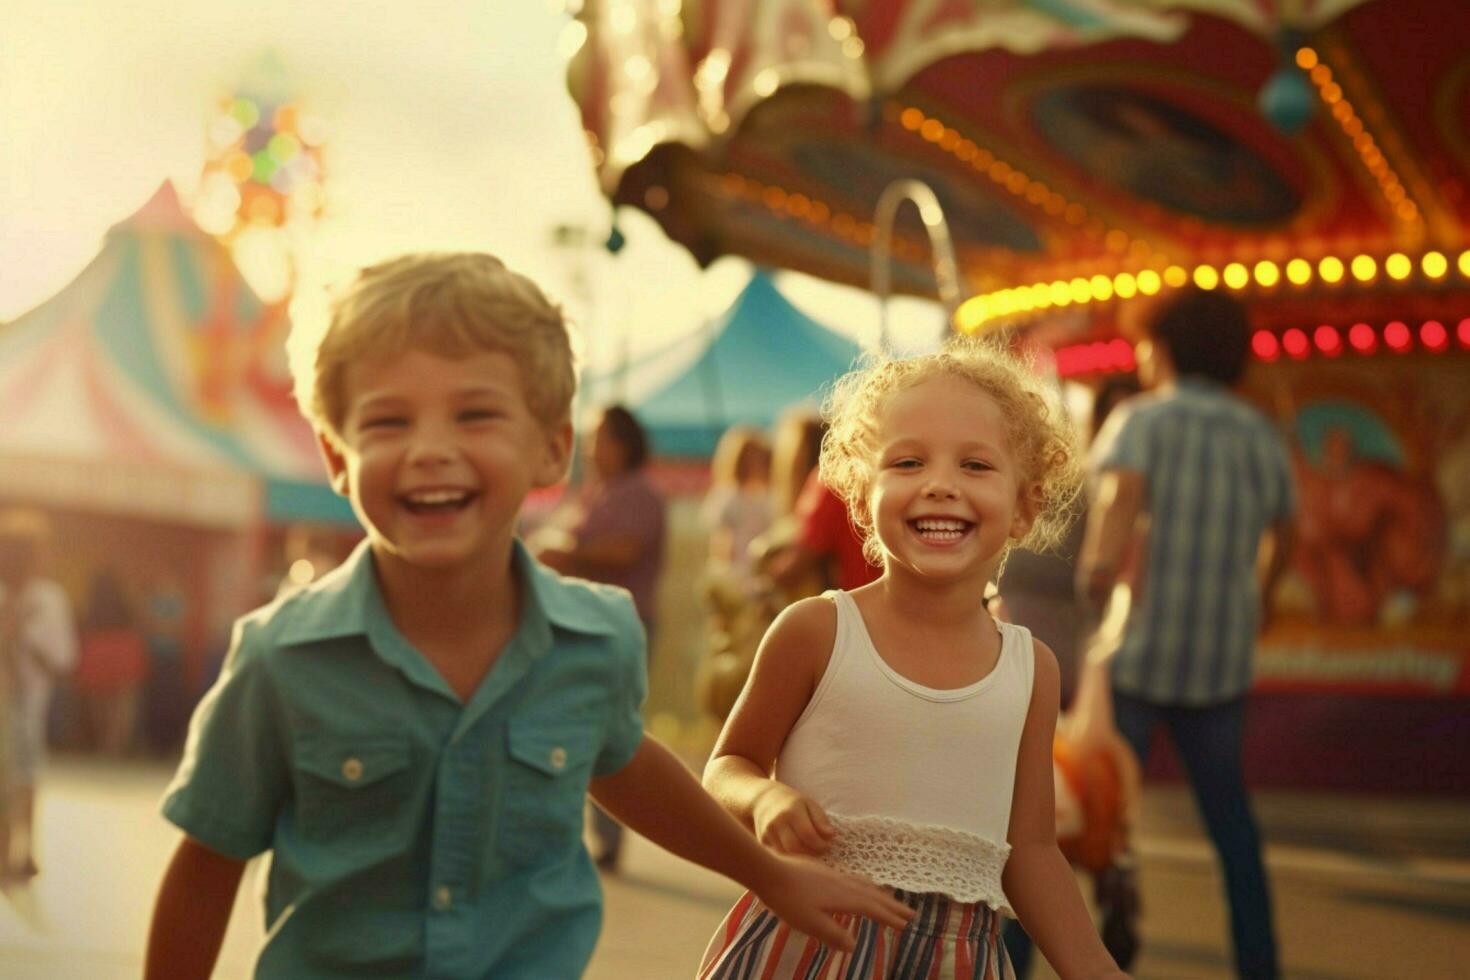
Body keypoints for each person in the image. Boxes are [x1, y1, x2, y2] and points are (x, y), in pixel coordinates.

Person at [144, 252, 911, 980]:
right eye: (387, 423)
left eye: (475, 415)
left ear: (551, 451)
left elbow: (627, 768)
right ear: (336, 457)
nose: (430, 450)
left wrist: (766, 873)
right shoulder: (284, 658)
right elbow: (207, 864)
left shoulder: (595, 639)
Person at [699, 341, 1129, 979]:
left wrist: (1095, 968)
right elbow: (727, 766)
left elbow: (1032, 852)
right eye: (907, 461)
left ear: (1025, 506)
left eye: (976, 466)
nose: (940, 485)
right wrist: (765, 801)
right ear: (861, 492)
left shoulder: (1030, 671)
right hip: (811, 946)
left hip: (957, 959)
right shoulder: (817, 631)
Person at [1078, 287, 1296, 980]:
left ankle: (1016, 956)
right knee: (1232, 828)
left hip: (1137, 657)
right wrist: (1259, 598)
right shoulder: (1259, 433)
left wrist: (1094, 580)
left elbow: (1118, 509)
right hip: (1219, 665)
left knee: (1083, 812)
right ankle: (1258, 965)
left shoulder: (1142, 421)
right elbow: (1286, 533)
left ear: (1163, 348)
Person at [532, 402, 667, 869]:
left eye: (600, 438)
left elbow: (623, 550)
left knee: (609, 732)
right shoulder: (594, 492)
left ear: (624, 443)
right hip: (579, 621)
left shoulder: (640, 494)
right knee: (575, 727)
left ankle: (608, 840)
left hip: (623, 625)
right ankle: (584, 835)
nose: (591, 448)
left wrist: (566, 555)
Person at [0, 508, 78, 881]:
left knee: (26, 774)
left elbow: (61, 662)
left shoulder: (48, 600)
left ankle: (25, 847)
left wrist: (22, 638)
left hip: (29, 702)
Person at [75, 567, 149, 755]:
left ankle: (104, 741)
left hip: (97, 646)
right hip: (123, 646)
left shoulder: (92, 602)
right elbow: (138, 621)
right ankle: (116, 743)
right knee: (122, 701)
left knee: (99, 701)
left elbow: (83, 623)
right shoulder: (125, 600)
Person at [702, 425, 773, 582]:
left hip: (762, 573)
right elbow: (721, 542)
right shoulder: (727, 497)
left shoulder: (769, 497)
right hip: (737, 573)